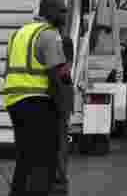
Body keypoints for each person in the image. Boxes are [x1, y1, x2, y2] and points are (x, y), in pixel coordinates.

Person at [3, 0, 71, 196]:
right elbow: (55, 74)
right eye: (61, 11)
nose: (64, 15)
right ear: (49, 11)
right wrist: (61, 105)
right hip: (37, 102)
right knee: (44, 160)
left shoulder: (19, 33)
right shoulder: (50, 34)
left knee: (25, 158)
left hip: (14, 101)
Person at [51, 35, 74, 195]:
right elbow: (66, 69)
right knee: (60, 136)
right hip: (62, 93)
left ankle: (55, 176)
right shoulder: (64, 41)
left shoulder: (44, 39)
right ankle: (59, 176)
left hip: (54, 94)